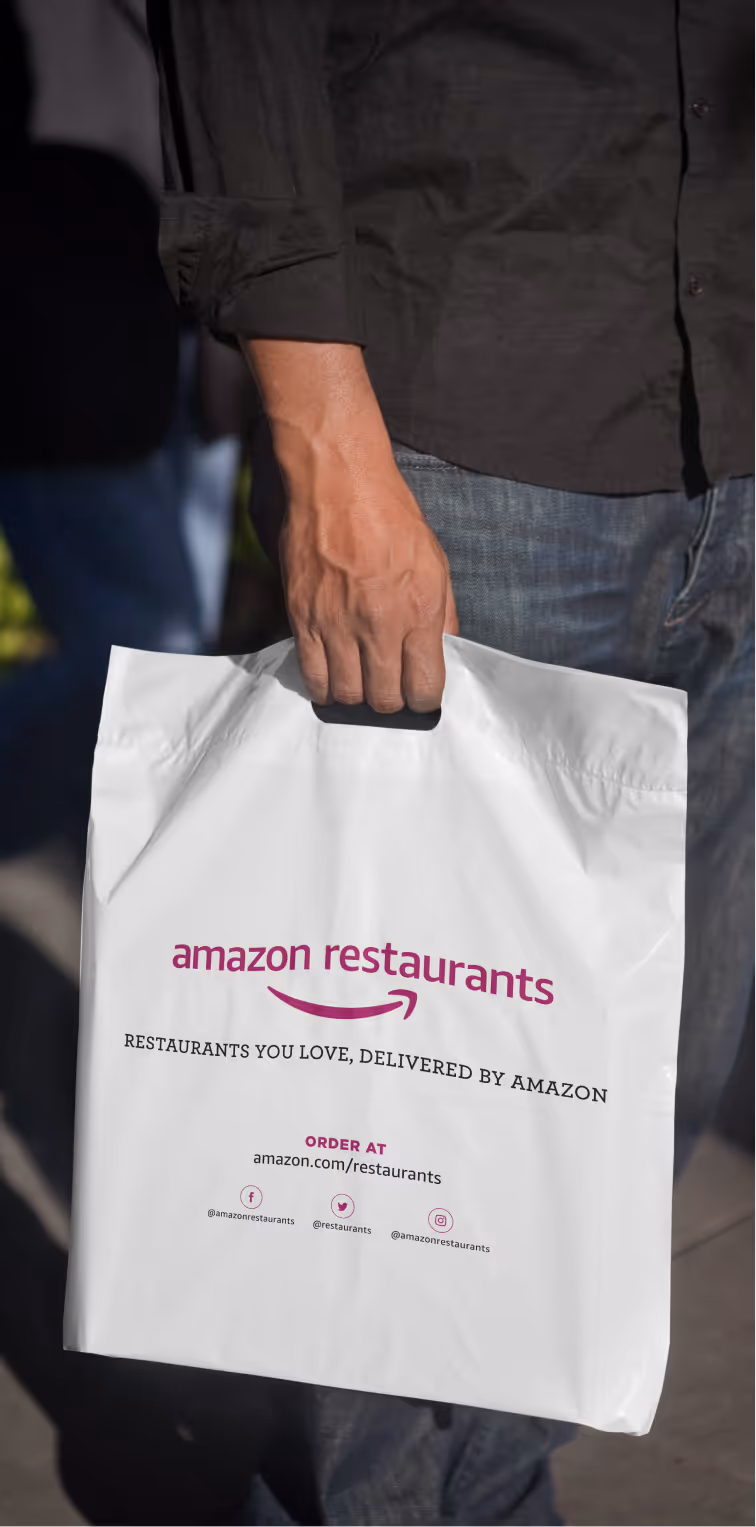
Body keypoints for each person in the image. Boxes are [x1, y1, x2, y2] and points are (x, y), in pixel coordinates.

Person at [148, 3, 753, 1523]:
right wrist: (323, 443)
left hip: (737, 424)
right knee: (393, 1099)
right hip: (464, 433)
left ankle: (482, 1481)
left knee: (640, 1079)